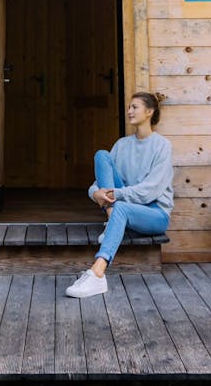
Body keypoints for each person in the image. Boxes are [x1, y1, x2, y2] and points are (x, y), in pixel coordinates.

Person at [66, 91, 173, 299]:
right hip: (123, 207)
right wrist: (95, 193)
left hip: (155, 214)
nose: (129, 111)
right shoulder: (122, 145)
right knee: (101, 155)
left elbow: (149, 192)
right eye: (129, 107)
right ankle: (111, 217)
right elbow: (98, 185)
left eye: (134, 107)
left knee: (121, 207)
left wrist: (116, 194)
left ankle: (97, 273)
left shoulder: (162, 146)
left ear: (149, 112)